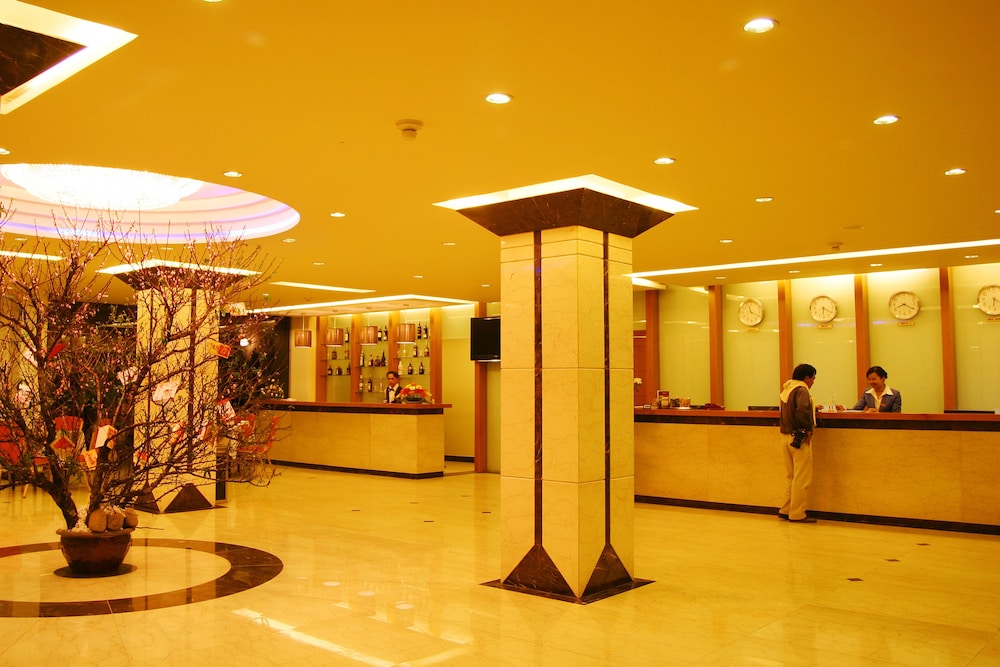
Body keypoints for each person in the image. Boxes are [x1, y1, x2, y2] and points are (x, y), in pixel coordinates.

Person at [778, 363, 818, 523]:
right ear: (806, 377)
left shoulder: (787, 389)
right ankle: (797, 513)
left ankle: (785, 509)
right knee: (802, 478)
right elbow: (802, 409)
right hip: (799, 438)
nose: (813, 382)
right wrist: (807, 429)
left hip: (785, 437)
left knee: (791, 476)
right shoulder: (801, 390)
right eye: (813, 378)